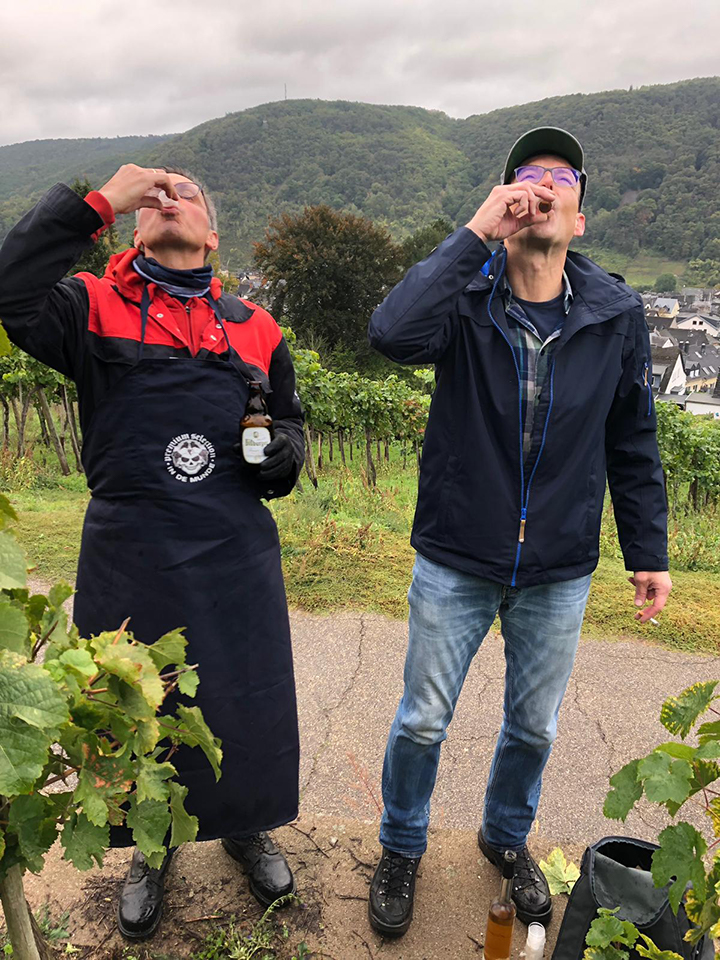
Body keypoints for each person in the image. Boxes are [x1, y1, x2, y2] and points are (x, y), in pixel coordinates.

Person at [366, 127, 671, 936]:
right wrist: (474, 234)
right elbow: (391, 333)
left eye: (559, 175)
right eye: (522, 174)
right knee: (424, 717)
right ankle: (401, 844)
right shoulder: (462, 300)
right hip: (458, 552)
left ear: (580, 219)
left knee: (533, 725)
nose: (539, 183)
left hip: (560, 564)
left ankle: (505, 840)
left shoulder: (615, 312)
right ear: (504, 204)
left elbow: (631, 438)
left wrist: (648, 552)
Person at [0, 165, 305, 940]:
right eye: (156, 197)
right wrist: (96, 199)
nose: (171, 200)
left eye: (190, 195)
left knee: (244, 697)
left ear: (212, 237)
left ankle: (246, 826)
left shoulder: (257, 328)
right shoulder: (89, 306)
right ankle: (150, 845)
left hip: (234, 551)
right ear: (136, 226)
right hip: (130, 551)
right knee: (138, 702)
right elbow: (9, 290)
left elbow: (292, 426)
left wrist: (285, 458)